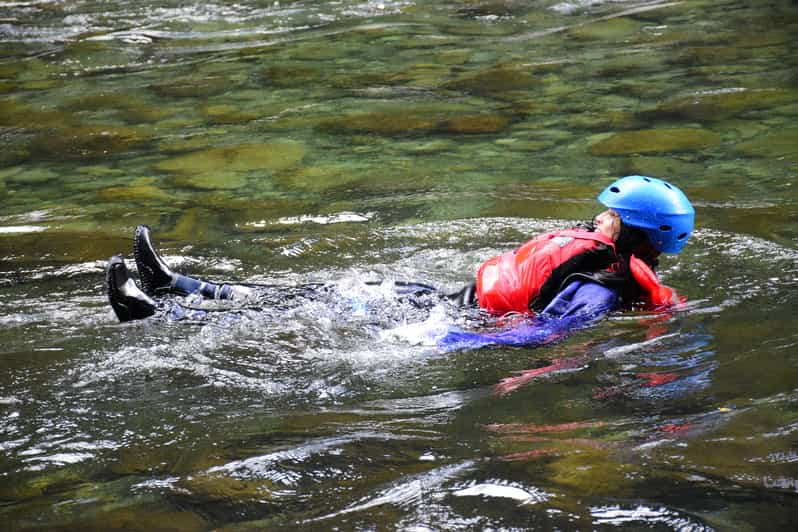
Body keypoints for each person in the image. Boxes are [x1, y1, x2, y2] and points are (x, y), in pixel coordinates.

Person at [105, 175, 694, 349]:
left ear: (628, 228)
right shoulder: (601, 259)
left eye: (608, 216)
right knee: (322, 289)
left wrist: (446, 342)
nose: (597, 220)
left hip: (454, 322)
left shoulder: (604, 285)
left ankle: (159, 316)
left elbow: (547, 332)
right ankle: (180, 284)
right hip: (447, 296)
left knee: (323, 307)